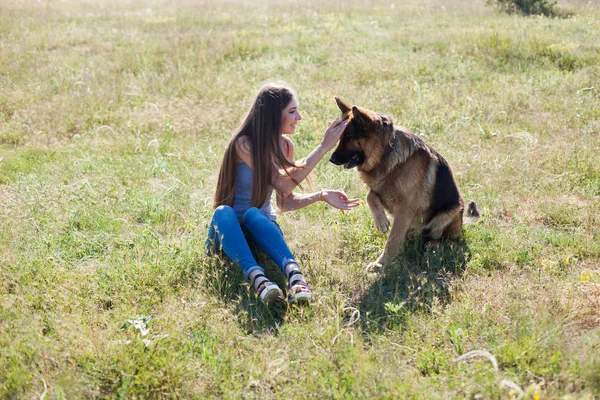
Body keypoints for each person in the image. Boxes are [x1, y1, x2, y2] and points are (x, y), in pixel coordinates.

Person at [206, 82, 359, 305]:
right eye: (292, 111)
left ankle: (295, 277)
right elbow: (283, 183)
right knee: (223, 212)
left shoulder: (285, 146)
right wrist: (323, 147)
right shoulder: (244, 144)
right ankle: (259, 280)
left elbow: (285, 201)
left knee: (253, 215)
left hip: (261, 232)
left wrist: (321, 195)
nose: (299, 117)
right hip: (228, 236)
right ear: (272, 115)